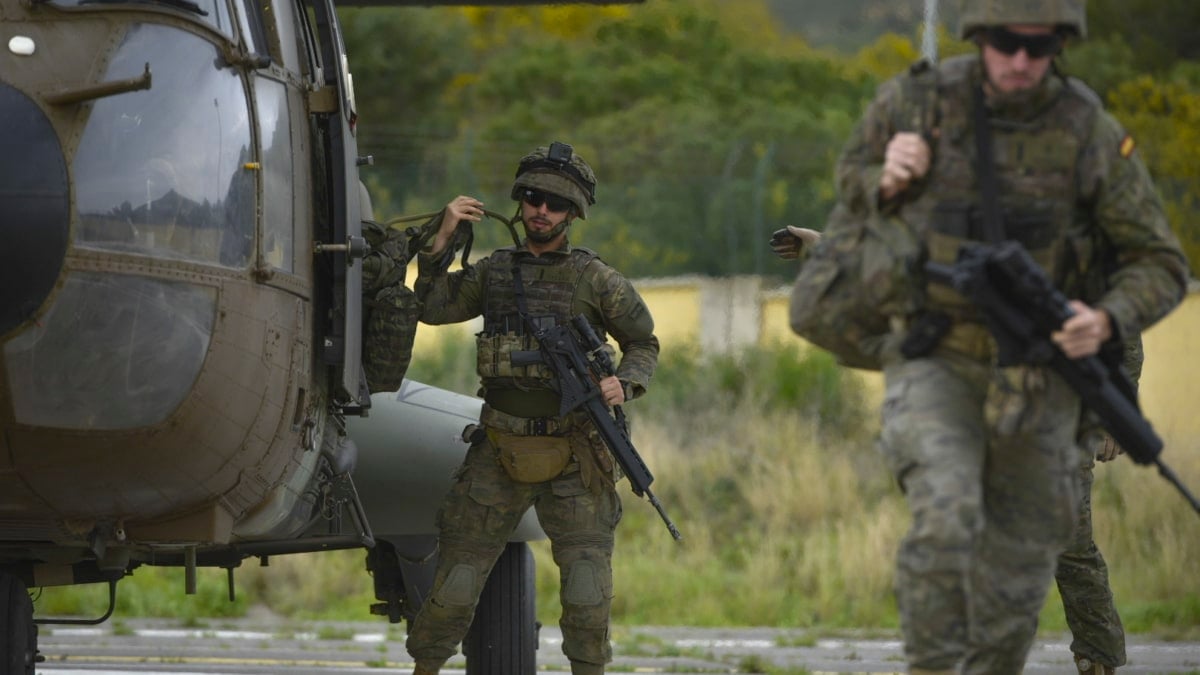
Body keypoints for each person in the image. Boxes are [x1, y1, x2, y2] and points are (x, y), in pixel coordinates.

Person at [819, 1, 1189, 673]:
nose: (1022, 59)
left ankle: (1092, 653)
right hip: (942, 358)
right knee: (944, 518)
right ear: (980, 39)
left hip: (1046, 373)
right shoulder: (915, 101)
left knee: (1040, 557)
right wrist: (886, 176)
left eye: (1039, 44)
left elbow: (1157, 264)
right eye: (1006, 43)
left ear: (1061, 44)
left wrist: (1104, 325)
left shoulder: (1087, 131)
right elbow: (851, 187)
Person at [404, 142, 659, 675]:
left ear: (573, 214)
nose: (542, 210)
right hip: (499, 451)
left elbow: (644, 342)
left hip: (576, 456)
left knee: (588, 599)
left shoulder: (596, 280)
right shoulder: (495, 272)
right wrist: (443, 237)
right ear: (519, 202)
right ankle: (425, 668)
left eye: (555, 203)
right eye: (532, 198)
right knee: (453, 589)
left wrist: (625, 383)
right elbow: (429, 305)